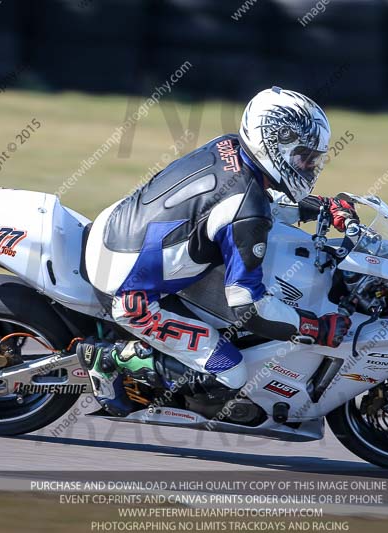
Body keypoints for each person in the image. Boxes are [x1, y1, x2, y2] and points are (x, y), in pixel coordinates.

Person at [83, 87, 358, 415]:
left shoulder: (229, 147)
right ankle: (110, 358)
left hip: (116, 230)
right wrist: (314, 328)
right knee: (230, 372)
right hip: (130, 295)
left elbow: (242, 204)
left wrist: (319, 208)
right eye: (304, 156)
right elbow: (248, 307)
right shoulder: (247, 208)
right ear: (273, 143)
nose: (310, 166)